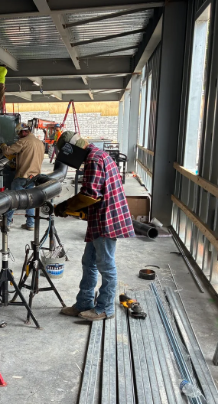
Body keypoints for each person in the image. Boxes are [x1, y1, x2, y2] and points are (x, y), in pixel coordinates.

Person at [54, 131, 134, 321]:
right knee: (89, 262)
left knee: (106, 265)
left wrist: (65, 207)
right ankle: (84, 303)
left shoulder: (94, 160)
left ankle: (105, 308)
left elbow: (90, 194)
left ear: (72, 150)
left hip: (107, 220)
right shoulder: (99, 155)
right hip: (99, 218)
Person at [0, 122, 45, 231]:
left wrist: (3, 146)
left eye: (19, 133)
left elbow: (8, 151)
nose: (18, 136)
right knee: (31, 200)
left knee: (13, 199)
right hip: (35, 176)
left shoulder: (23, 141)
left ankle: (7, 222)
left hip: (23, 175)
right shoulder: (40, 143)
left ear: (23, 131)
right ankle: (30, 224)